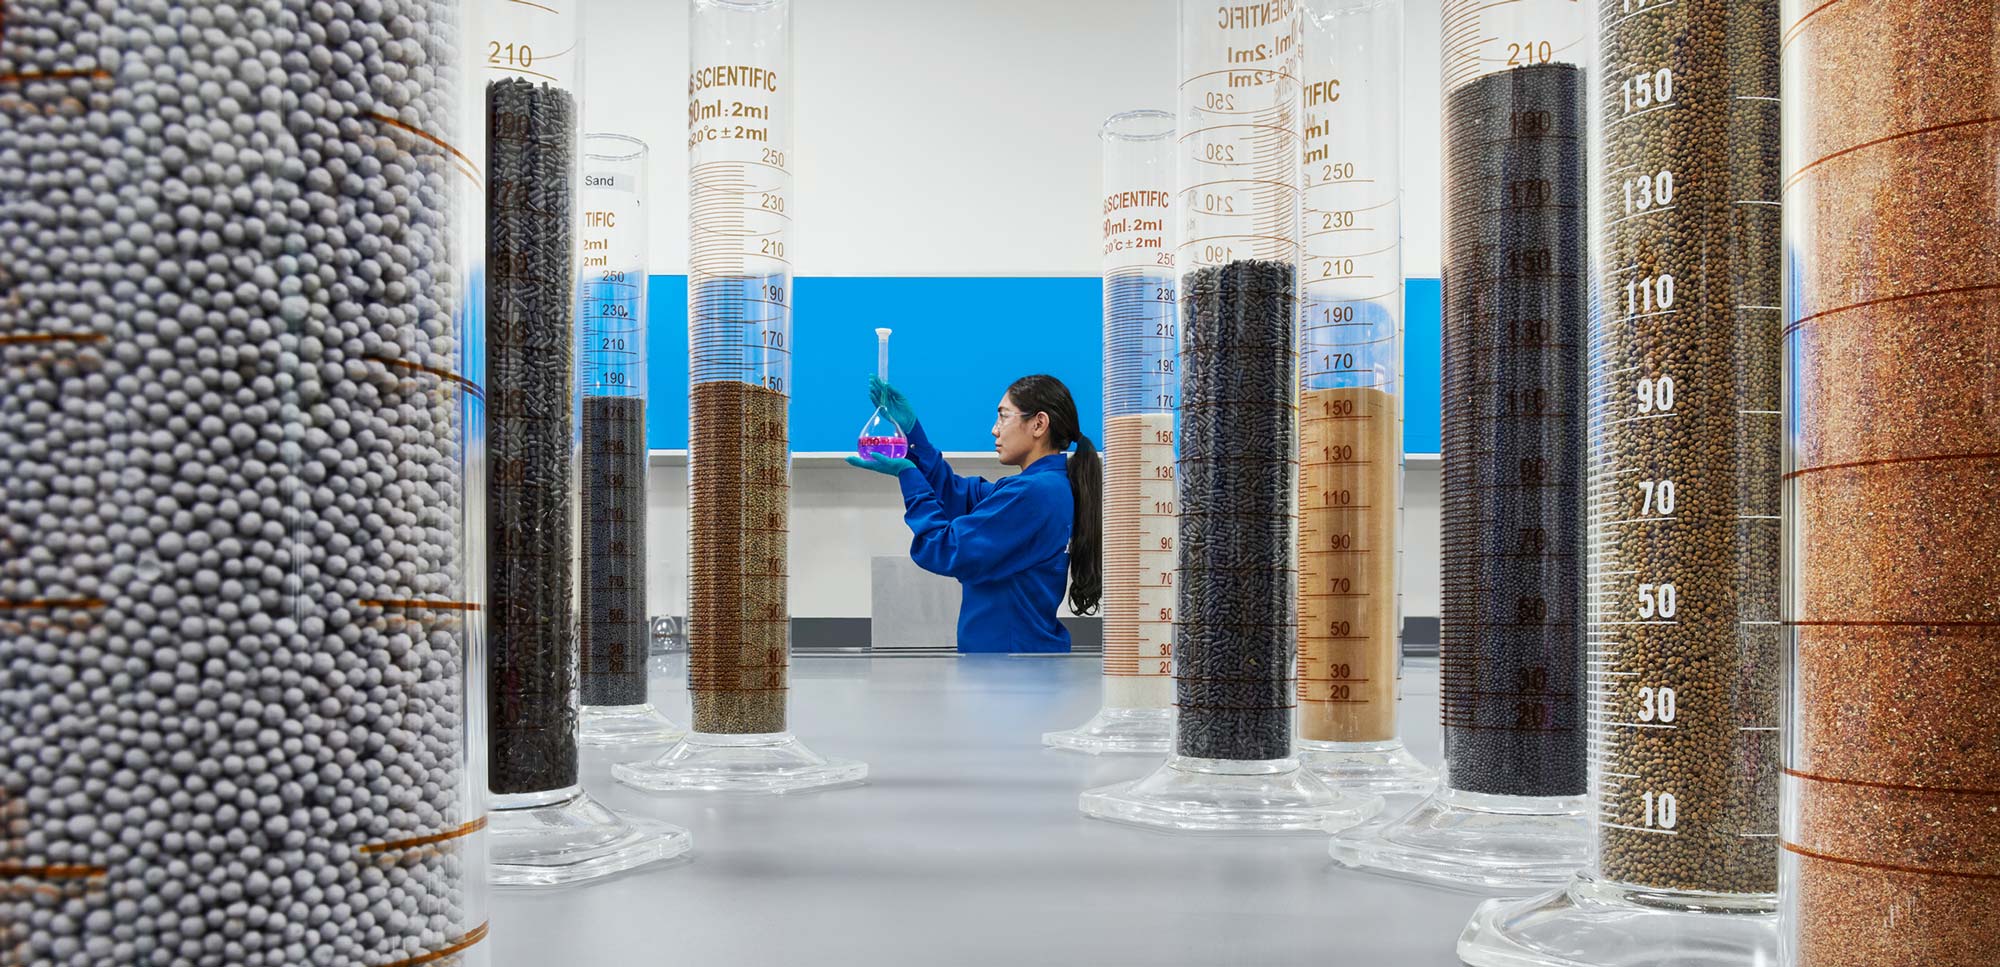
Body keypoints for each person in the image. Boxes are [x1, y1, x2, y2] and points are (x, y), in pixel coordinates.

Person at [847, 374, 1102, 653]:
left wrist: (909, 475)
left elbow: (945, 548)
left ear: (1039, 424)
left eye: (1004, 417)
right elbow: (959, 495)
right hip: (1019, 661)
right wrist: (913, 434)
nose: (995, 430)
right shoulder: (1044, 486)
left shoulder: (1033, 494)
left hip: (1013, 672)